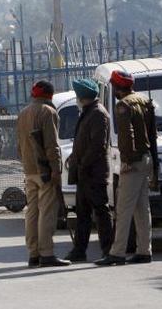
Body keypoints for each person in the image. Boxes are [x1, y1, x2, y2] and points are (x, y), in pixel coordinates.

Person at [95, 71, 154, 266]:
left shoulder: (123, 105)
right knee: (142, 209)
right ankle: (144, 250)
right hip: (146, 159)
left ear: (117, 88)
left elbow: (126, 136)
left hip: (133, 161)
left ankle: (117, 252)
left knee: (123, 209)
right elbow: (152, 134)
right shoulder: (145, 101)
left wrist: (126, 160)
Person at [17, 80, 71, 268]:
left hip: (29, 170)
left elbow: (19, 146)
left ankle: (33, 253)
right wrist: (56, 170)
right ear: (50, 95)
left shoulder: (23, 113)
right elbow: (51, 145)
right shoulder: (48, 112)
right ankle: (47, 253)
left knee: (32, 212)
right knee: (47, 212)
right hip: (45, 171)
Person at [65, 79, 113, 262]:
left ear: (81, 97)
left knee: (101, 212)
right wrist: (74, 159)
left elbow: (97, 146)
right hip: (85, 173)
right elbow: (84, 142)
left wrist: (83, 164)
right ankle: (79, 250)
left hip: (93, 173)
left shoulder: (98, 114)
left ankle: (108, 250)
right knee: (83, 214)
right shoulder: (88, 112)